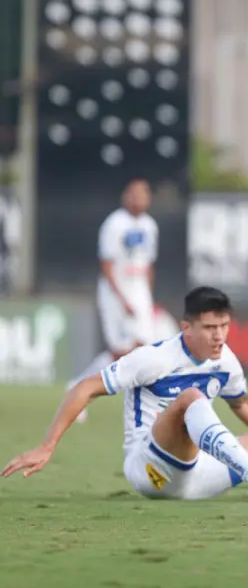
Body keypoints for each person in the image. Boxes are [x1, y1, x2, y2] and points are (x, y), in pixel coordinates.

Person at [3, 287, 248, 502]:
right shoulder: (153, 358)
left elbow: (245, 404)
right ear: (186, 328)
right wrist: (47, 445)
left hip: (201, 476)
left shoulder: (226, 361)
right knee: (190, 399)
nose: (219, 336)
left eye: (224, 326)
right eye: (209, 328)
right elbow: (86, 386)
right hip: (150, 471)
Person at [69, 179, 158, 424]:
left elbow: (148, 264)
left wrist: (146, 298)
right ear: (125, 196)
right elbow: (107, 265)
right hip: (116, 290)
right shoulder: (114, 224)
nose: (139, 198)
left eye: (144, 194)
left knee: (145, 347)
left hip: (139, 290)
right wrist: (122, 299)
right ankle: (79, 387)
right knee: (119, 352)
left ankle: (144, 406)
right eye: (134, 193)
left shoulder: (150, 225)